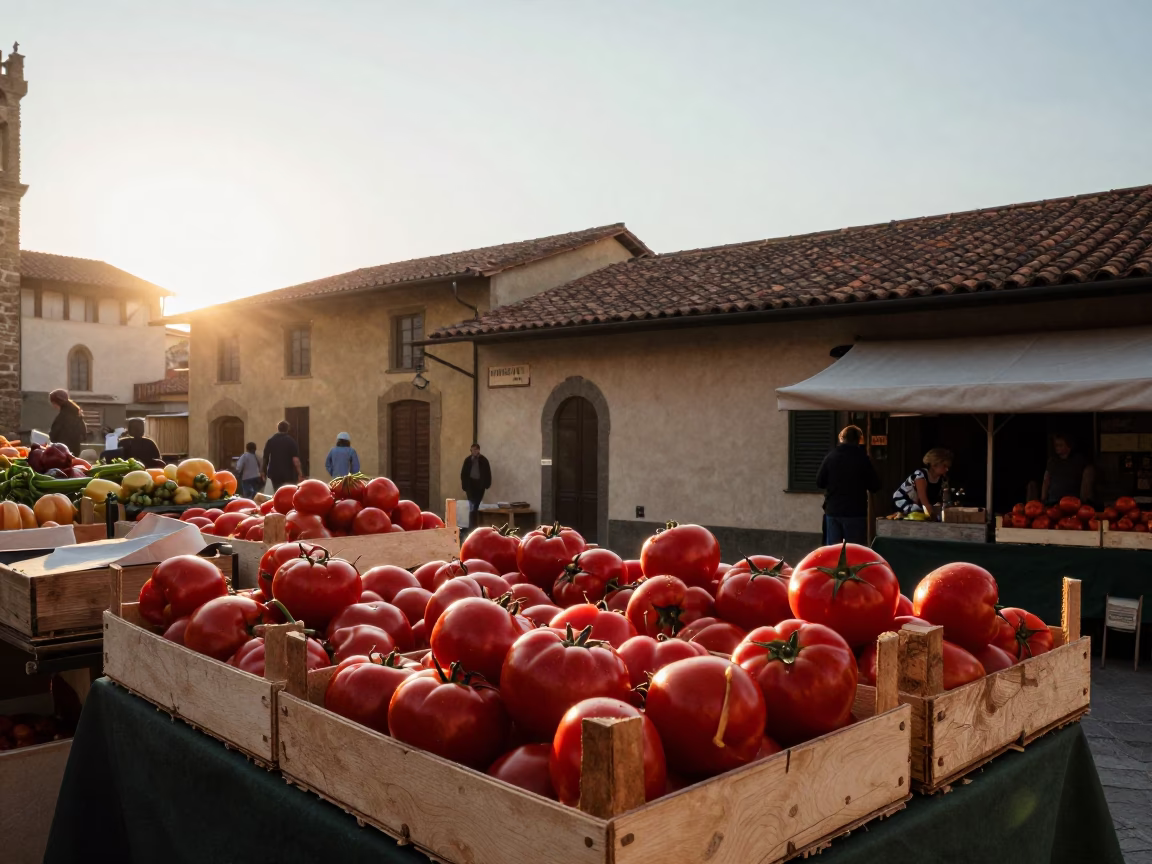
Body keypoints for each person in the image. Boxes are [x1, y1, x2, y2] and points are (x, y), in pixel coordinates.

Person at [816, 425, 881, 545]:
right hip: (855, 512)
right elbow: (875, 486)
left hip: (833, 511)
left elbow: (820, 482)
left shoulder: (831, 457)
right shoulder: (863, 459)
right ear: (858, 440)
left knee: (833, 552)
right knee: (853, 552)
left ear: (841, 438)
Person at [893, 448, 953, 516]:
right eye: (944, 466)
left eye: (948, 467)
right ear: (934, 465)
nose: (947, 469)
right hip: (903, 501)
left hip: (919, 506)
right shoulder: (921, 475)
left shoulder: (942, 480)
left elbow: (943, 499)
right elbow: (923, 499)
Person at [1042, 433, 1095, 506]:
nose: (1057, 447)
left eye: (1060, 445)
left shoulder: (1079, 460)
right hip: (1053, 500)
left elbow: (1088, 474)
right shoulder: (1052, 461)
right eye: (1056, 445)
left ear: (1069, 446)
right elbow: (1046, 480)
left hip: (1072, 501)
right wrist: (1043, 499)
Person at [263, 420, 304, 490]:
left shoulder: (271, 440)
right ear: (287, 429)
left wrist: (263, 472)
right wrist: (300, 473)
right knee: (288, 493)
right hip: (288, 474)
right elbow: (295, 460)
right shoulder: (291, 441)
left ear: (278, 428)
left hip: (274, 473)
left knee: (277, 492)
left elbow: (265, 458)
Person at [459, 443, 492, 526]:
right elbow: (463, 473)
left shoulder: (483, 460)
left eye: (475, 450)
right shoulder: (468, 460)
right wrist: (464, 485)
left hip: (480, 485)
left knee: (476, 504)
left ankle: (474, 524)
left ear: (478, 450)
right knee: (471, 504)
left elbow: (487, 473)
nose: (473, 452)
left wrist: (487, 484)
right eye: (472, 450)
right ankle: (472, 524)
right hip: (470, 485)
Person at [48, 389, 87, 454]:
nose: (53, 405)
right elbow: (84, 434)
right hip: (75, 451)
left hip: (63, 452)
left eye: (53, 402)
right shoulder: (76, 412)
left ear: (57, 402)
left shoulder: (62, 416)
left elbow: (54, 435)